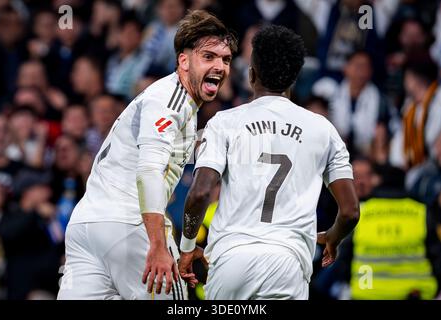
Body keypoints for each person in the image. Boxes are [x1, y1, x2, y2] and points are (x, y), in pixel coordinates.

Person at [57, 10, 237, 300]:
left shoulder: (173, 103)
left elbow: (171, 153)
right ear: (183, 60)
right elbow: (149, 171)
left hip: (86, 227)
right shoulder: (171, 99)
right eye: (209, 57)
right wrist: (157, 244)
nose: (219, 66)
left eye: (225, 60)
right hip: (129, 226)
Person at [178, 25, 359, 300]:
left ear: (251, 73)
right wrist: (334, 236)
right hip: (287, 264)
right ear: (295, 78)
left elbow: (201, 192)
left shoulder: (224, 123)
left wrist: (188, 245)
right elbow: (350, 211)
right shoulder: (323, 130)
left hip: (230, 260)